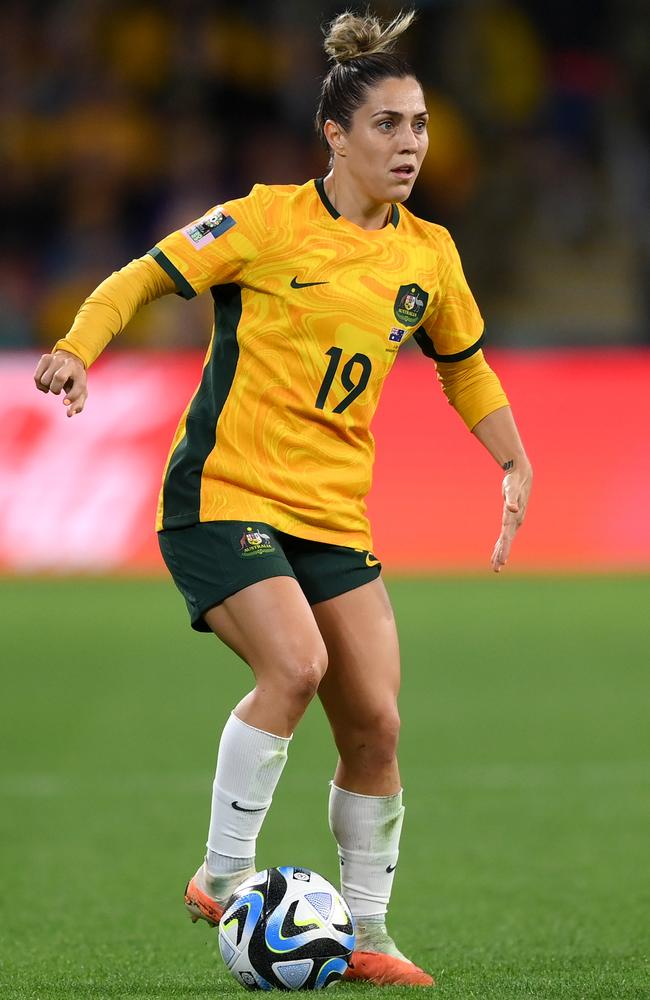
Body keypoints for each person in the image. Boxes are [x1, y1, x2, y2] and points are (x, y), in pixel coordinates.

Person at [33, 9, 532, 989]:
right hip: (224, 492)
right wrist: (78, 348)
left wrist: (512, 462)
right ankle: (220, 874)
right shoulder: (261, 221)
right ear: (334, 136)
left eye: (420, 124)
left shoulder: (427, 254)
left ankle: (370, 935)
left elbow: (463, 367)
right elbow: (142, 277)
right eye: (387, 125)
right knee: (295, 662)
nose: (410, 145)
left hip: (330, 515)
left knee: (375, 726)